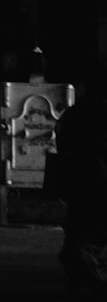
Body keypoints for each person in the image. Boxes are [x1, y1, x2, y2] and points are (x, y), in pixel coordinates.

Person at [53, 63, 107, 297]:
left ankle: (79, 282)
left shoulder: (75, 114)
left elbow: (62, 143)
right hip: (97, 185)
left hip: (82, 187)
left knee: (76, 238)